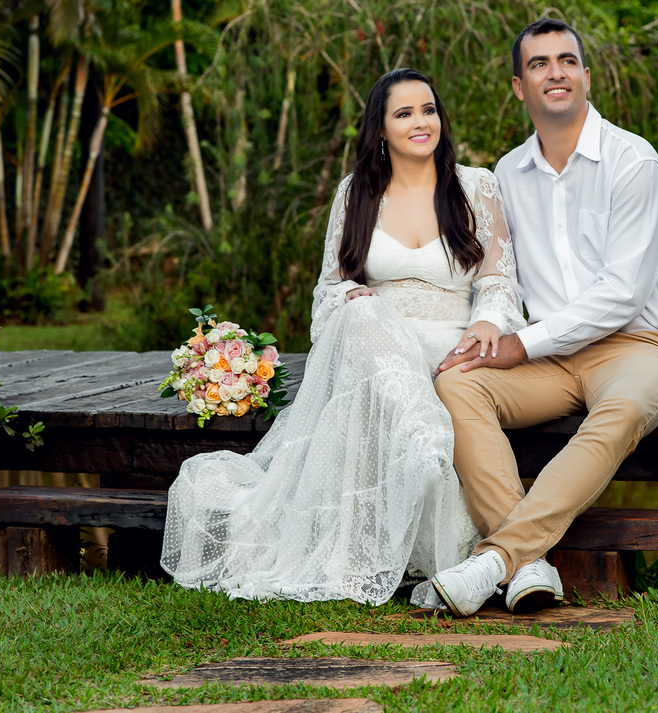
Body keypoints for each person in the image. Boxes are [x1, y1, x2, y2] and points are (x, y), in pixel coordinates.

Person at [160, 68, 525, 607]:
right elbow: (329, 289)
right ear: (380, 129)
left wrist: (488, 321)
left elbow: (498, 279)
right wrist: (350, 301)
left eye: (429, 110)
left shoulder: (475, 185)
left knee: (374, 318)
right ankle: (423, 443)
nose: (421, 122)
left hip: (452, 352)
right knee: (359, 310)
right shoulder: (357, 193)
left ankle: (427, 466)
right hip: (377, 352)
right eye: (404, 113)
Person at [430, 19, 658, 616]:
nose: (557, 72)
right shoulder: (506, 175)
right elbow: (498, 278)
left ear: (586, 77)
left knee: (621, 407)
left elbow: (622, 295)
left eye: (568, 61)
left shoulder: (634, 163)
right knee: (457, 381)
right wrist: (488, 329)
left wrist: (525, 342)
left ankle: (497, 558)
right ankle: (529, 567)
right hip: (551, 358)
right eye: (541, 63)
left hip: (642, 347)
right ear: (519, 87)